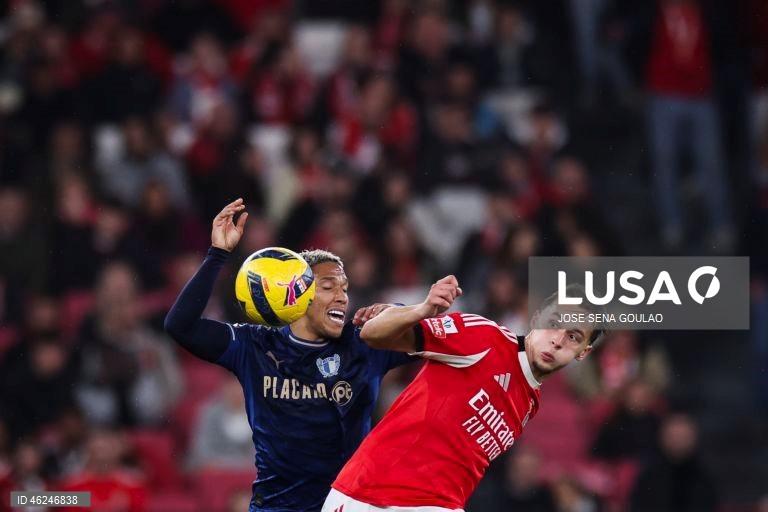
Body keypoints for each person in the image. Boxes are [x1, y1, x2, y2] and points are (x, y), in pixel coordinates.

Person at [164, 198, 414, 512]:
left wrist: (398, 311)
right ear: (298, 292)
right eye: (328, 286)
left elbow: (429, 336)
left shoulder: (363, 343)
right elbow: (180, 326)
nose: (342, 297)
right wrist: (218, 254)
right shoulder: (254, 345)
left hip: (349, 506)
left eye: (345, 288)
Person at [322, 276, 606, 512]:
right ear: (534, 318)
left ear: (584, 353)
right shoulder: (485, 339)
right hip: (371, 495)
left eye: (573, 336)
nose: (557, 340)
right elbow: (372, 334)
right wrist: (422, 309)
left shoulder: (530, 403)